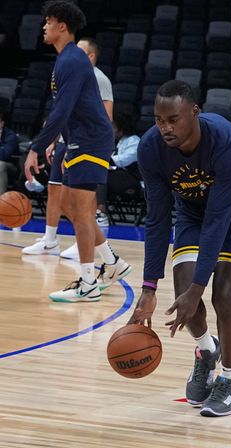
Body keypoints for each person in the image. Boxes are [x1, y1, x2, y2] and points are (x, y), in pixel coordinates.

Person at [128, 80, 231, 417]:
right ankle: (206, 351)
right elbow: (158, 219)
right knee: (181, 295)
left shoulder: (226, 141)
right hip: (191, 214)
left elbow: (219, 220)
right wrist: (147, 288)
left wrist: (198, 287)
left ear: (195, 113)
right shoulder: (150, 149)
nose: (165, 128)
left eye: (173, 119)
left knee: (222, 295)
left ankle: (230, 381)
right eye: (159, 120)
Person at [22, 1, 130, 302]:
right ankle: (112, 262)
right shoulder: (65, 60)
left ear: (62, 26)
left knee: (81, 212)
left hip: (91, 140)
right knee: (71, 206)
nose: (43, 25)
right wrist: (60, 144)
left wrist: (37, 147)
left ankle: (87, 282)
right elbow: (67, 111)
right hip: (80, 140)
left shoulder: (71, 60)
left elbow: (62, 109)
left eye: (48, 21)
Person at [23, 34, 114, 258]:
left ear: (90, 56)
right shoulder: (69, 71)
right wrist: (53, 141)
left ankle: (91, 255)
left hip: (88, 141)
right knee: (57, 193)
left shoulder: (99, 79)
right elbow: (62, 112)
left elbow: (106, 116)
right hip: (68, 139)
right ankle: (50, 239)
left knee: (81, 200)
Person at [96, 108, 141, 218]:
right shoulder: (113, 141)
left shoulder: (134, 141)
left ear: (121, 128)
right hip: (114, 175)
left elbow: (122, 161)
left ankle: (101, 211)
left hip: (132, 178)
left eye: (113, 126)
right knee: (93, 173)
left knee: (101, 174)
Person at [0, 111, 19, 195]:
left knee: (0, 165)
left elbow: (3, 155)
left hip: (11, 166)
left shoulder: (10, 136)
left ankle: (1, 203)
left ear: (2, 124)